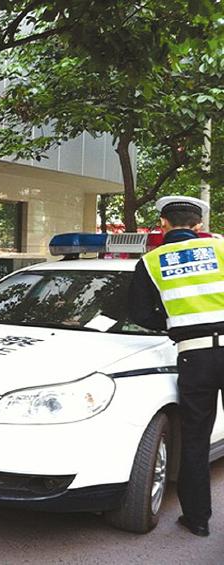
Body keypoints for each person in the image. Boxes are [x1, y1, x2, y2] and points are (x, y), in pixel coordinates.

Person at [129, 195, 221, 538]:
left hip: (194, 356)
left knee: (195, 439)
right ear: (199, 226)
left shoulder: (151, 262)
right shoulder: (221, 248)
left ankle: (197, 520)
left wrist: (174, 323)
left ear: (163, 225)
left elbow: (140, 314)